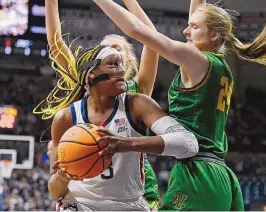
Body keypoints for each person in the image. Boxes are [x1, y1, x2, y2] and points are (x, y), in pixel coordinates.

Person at [92, 0, 266, 210]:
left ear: (213, 35)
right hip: (220, 175)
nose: (186, 31)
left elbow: (136, 30)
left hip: (198, 172)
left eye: (194, 27)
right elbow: (197, 9)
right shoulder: (216, 65)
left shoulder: (198, 59)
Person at [40, 45, 198, 211]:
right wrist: (62, 178)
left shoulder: (137, 105)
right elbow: (55, 192)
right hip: (80, 203)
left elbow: (189, 144)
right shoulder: (66, 118)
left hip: (129, 204)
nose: (122, 70)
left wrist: (128, 144)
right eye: (113, 64)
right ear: (91, 73)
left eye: (122, 64)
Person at [39, 0, 161, 209]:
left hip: (132, 189)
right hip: (87, 192)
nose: (110, 53)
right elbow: (56, 45)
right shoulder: (86, 83)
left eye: (117, 49)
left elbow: (151, 39)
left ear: (128, 62)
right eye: (104, 50)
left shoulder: (137, 92)